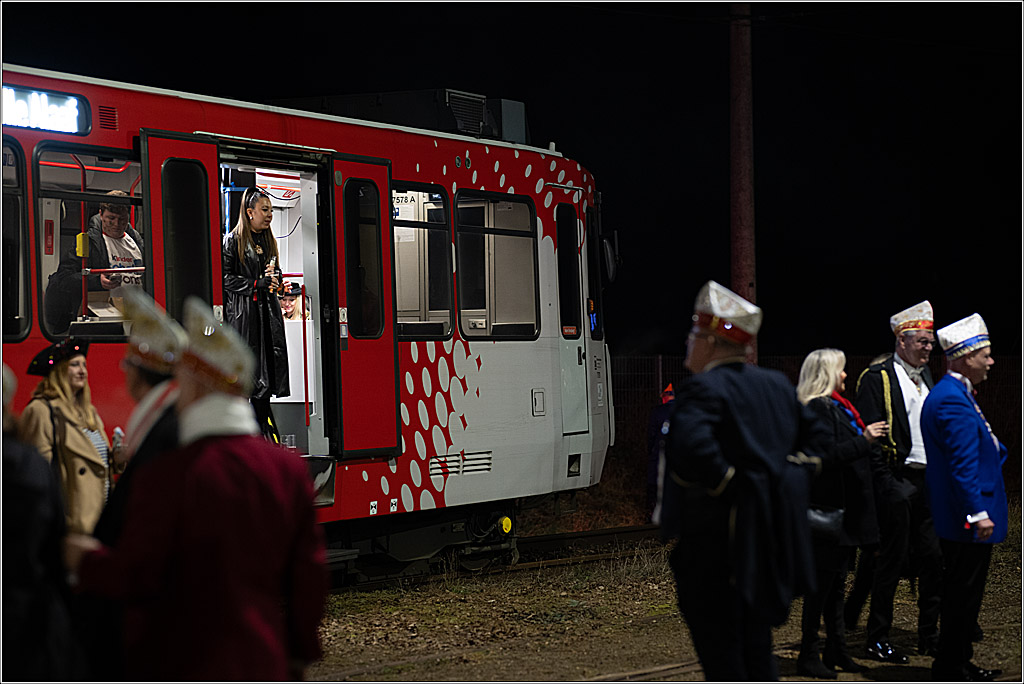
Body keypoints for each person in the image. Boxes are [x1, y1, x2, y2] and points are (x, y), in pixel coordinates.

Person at [63, 296, 327, 680]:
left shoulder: (172, 474)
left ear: (200, 387)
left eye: (184, 381)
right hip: (263, 660)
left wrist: (82, 560)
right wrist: (300, 653)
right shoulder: (286, 469)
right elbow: (308, 575)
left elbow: (140, 573)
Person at [660, 280, 827, 681]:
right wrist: (787, 479)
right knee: (757, 649)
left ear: (713, 343)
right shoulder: (775, 385)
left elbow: (691, 451)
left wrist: (738, 486)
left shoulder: (702, 389)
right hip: (767, 544)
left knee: (723, 658)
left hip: (715, 547)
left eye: (695, 335)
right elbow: (819, 439)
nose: (688, 342)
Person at [77, 288, 186, 680]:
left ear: (139, 373)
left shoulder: (163, 436)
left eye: (128, 363)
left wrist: (88, 560)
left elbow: (145, 549)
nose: (122, 369)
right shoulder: (173, 425)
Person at [854, 300, 942, 662]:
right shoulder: (878, 378)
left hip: (928, 482)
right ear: (902, 340)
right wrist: (888, 486)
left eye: (931, 341)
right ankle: (877, 637)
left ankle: (929, 636)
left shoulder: (928, 378)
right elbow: (871, 438)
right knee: (889, 564)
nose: (928, 347)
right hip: (897, 480)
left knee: (934, 560)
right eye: (922, 340)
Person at [922, 314, 1005, 682]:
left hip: (963, 515)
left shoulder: (952, 393)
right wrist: (977, 514)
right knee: (962, 596)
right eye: (984, 355)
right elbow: (962, 466)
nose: (990, 362)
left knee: (962, 595)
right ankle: (952, 666)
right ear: (963, 356)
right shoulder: (952, 400)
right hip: (966, 518)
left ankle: (956, 661)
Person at [795, 349, 886, 678]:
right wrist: (865, 440)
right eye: (842, 370)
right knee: (821, 589)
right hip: (829, 514)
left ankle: (836, 650)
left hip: (841, 514)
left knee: (834, 588)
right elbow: (826, 456)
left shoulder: (835, 407)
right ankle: (809, 653)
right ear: (827, 373)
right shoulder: (820, 408)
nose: (846, 375)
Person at [2, 363, 88, 680]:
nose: (82, 372)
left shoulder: (83, 411)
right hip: (28, 612)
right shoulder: (28, 463)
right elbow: (53, 544)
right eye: (75, 366)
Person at [17, 338, 117, 535]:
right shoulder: (41, 411)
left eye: (84, 365)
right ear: (60, 371)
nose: (82, 371)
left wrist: (117, 459)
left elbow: (99, 462)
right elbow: (38, 476)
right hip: (71, 525)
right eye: (74, 365)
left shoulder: (89, 413)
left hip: (101, 517)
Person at [222, 186, 289, 442]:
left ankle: (261, 434)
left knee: (267, 377)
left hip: (268, 315)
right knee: (248, 379)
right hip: (244, 317)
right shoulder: (232, 241)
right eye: (265, 210)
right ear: (249, 212)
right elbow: (225, 278)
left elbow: (274, 275)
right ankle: (249, 436)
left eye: (271, 210)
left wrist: (275, 281)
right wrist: (255, 284)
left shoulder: (268, 241)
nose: (269, 215)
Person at [44, 190, 144, 334]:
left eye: (122, 219)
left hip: (136, 317)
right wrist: (97, 281)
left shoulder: (136, 242)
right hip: (103, 319)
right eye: (111, 218)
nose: (116, 224)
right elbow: (64, 278)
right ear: (101, 214)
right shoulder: (88, 242)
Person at [645, 383, 674, 519]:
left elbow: (651, 434)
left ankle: (653, 511)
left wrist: (650, 449)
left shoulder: (657, 411)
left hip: (659, 453)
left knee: (654, 482)